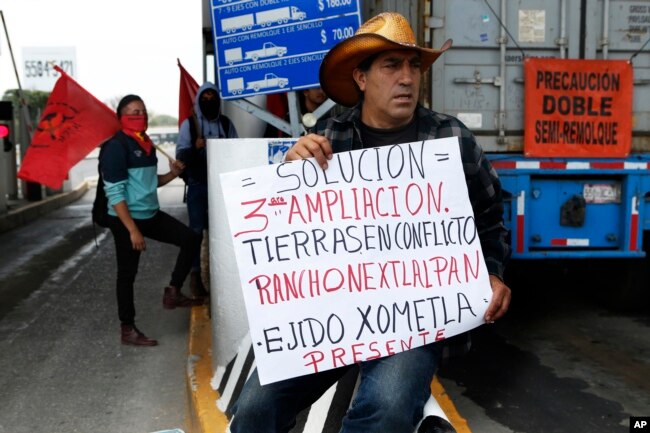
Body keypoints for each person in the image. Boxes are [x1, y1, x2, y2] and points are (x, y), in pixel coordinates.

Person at [228, 12, 512, 433]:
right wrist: (290, 175)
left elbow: (490, 217)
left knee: (387, 407)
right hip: (331, 318)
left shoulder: (451, 140)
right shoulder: (329, 137)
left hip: (415, 322)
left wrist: (492, 272)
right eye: (391, 65)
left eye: (413, 66)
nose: (407, 78)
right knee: (253, 409)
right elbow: (295, 238)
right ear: (361, 79)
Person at [101, 94, 204, 347]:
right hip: (127, 219)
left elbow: (150, 183)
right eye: (133, 112)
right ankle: (127, 328)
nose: (140, 116)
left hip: (150, 213)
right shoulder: (116, 147)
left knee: (191, 238)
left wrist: (173, 173)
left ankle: (173, 292)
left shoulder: (145, 143)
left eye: (143, 111)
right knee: (127, 274)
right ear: (121, 117)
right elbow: (114, 193)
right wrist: (133, 230)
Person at [175, 82, 238, 298]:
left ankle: (223, 278)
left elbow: (236, 151)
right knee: (195, 233)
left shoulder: (226, 124)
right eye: (205, 97)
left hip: (221, 186)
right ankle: (195, 279)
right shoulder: (189, 126)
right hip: (198, 186)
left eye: (213, 96)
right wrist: (196, 148)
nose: (209, 100)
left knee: (222, 232)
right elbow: (181, 158)